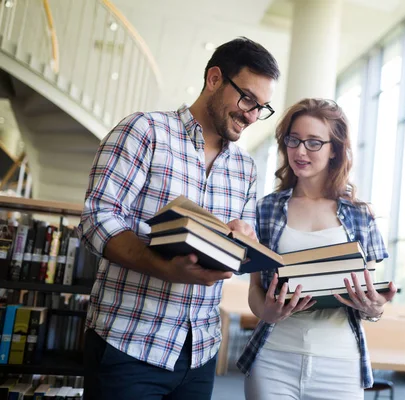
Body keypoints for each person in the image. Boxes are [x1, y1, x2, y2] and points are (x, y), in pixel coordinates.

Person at [78, 37, 280, 400]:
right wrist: (162, 266)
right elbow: (97, 218)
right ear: (215, 79)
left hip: (199, 353)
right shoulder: (145, 131)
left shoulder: (246, 168)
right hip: (129, 346)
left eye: (262, 108)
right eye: (247, 99)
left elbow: (241, 240)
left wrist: (242, 238)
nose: (252, 115)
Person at [237, 98, 398, 399]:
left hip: (340, 364)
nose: (300, 151)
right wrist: (267, 312)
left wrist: (375, 307)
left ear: (334, 149)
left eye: (313, 143)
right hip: (273, 359)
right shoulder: (266, 210)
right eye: (293, 140)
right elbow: (255, 290)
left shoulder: (361, 215)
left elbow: (369, 297)